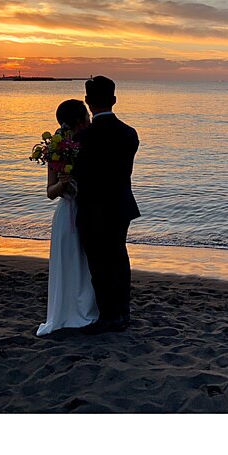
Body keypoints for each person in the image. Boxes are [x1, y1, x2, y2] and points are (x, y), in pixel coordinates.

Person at [73, 75, 141, 333]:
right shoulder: (129, 134)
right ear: (114, 99)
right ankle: (123, 311)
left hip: (93, 206)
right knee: (119, 257)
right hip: (120, 204)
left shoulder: (82, 139)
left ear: (88, 101)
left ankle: (108, 315)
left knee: (99, 263)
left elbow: (79, 175)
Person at [36, 99, 99, 336]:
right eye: (86, 115)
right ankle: (67, 312)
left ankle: (88, 308)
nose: (90, 118)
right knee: (69, 262)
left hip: (87, 209)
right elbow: (49, 192)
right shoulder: (57, 149)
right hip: (67, 213)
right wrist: (62, 185)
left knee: (85, 263)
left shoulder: (85, 144)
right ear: (80, 120)